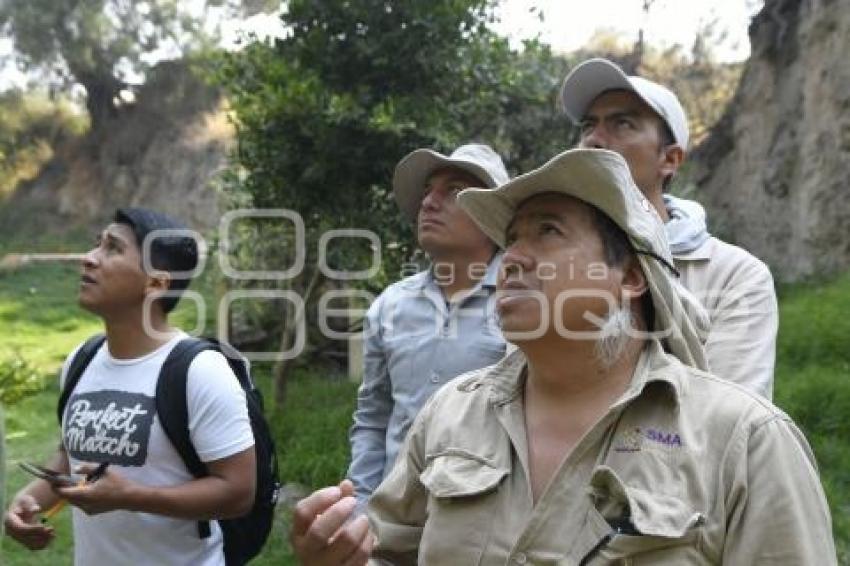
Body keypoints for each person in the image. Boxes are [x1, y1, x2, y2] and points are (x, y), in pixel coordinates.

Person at [290, 148, 835, 564]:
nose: (512, 260)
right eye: (511, 239)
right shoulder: (449, 413)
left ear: (629, 277)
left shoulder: (745, 441)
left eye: (547, 232)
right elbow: (391, 552)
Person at [3, 208, 256, 565]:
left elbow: (238, 493)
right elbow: (68, 457)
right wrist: (29, 500)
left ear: (156, 283)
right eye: (95, 245)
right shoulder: (81, 359)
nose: (88, 259)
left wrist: (131, 496)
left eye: (112, 249)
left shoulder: (199, 371)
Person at [560, 57, 778, 398]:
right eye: (589, 125)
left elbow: (733, 420)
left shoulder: (736, 276)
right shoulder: (546, 260)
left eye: (623, 124)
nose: (594, 140)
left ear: (671, 159)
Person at [348, 143, 510, 510]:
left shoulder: (527, 303)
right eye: (427, 191)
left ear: (493, 216)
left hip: (484, 521)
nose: (429, 203)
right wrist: (360, 506)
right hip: (391, 520)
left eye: (453, 191)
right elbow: (374, 417)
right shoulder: (391, 306)